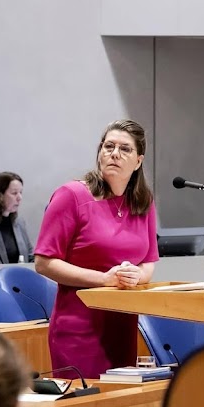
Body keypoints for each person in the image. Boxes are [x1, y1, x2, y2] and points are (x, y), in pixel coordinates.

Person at [34, 119, 158, 379]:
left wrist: (136, 276)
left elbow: (148, 263)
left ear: (138, 161)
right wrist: (104, 279)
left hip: (122, 326)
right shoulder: (72, 196)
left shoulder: (143, 203)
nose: (114, 153)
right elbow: (44, 262)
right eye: (108, 146)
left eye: (125, 149)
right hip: (78, 328)